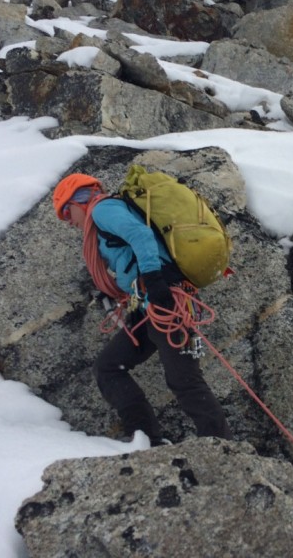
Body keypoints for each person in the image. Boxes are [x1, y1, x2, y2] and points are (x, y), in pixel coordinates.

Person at [52, 173, 233, 446]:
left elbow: (141, 235)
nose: (69, 222)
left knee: (184, 380)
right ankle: (145, 439)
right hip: (148, 307)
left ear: (78, 201)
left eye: (66, 213)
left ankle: (223, 446)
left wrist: (154, 280)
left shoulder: (102, 209)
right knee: (109, 367)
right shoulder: (103, 216)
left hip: (166, 302)